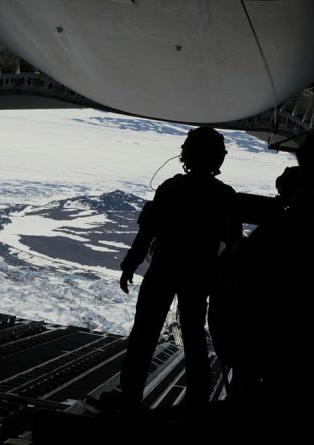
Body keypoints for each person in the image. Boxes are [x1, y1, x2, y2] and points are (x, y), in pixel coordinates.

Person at [118, 126, 238, 410]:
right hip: (198, 275)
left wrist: (130, 265)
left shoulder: (171, 188)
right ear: (218, 160)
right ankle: (197, 402)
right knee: (194, 335)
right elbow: (233, 243)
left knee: (144, 334)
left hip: (163, 269)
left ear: (186, 154)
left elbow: (146, 233)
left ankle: (129, 397)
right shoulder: (225, 195)